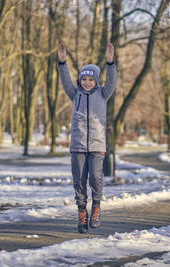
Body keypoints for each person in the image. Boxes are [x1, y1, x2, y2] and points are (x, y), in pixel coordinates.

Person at [57, 43, 117, 233]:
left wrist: (110, 62)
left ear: (96, 80)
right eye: (84, 79)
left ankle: (96, 208)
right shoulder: (75, 95)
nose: (87, 82)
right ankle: (82, 213)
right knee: (79, 181)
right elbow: (65, 80)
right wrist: (62, 62)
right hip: (78, 146)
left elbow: (112, 82)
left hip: (97, 145)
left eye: (91, 79)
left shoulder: (103, 94)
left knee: (96, 179)